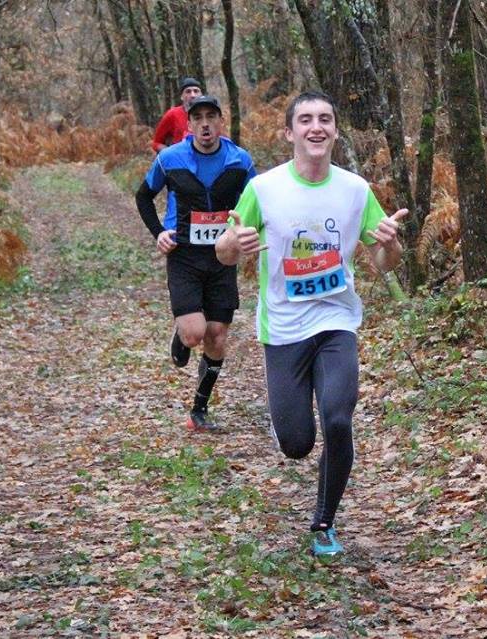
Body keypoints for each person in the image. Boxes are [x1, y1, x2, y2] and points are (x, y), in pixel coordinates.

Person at [216, 91, 407, 556]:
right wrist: (236, 244)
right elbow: (224, 251)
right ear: (289, 133)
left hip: (336, 320)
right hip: (284, 328)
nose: (316, 127)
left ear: (335, 131)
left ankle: (324, 522)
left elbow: (385, 262)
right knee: (297, 443)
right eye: (305, 120)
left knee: (338, 419)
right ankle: (287, 421)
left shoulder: (355, 190)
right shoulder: (264, 189)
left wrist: (389, 244)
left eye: (325, 119)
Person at [136, 94, 256, 432]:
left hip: (222, 255)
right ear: (188, 125)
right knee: (194, 334)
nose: (205, 124)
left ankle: (199, 409)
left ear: (221, 122)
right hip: (184, 255)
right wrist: (159, 233)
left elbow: (258, 201)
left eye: (211, 117)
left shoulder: (240, 161)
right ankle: (181, 332)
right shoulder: (170, 159)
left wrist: (247, 232)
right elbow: (143, 196)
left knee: (216, 336)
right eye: (198, 118)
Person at [151, 77, 203, 232]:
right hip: (179, 170)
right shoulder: (173, 115)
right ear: (182, 96)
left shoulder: (208, 114)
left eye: (196, 91)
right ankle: (172, 235)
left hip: (204, 167)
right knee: (179, 207)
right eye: (188, 91)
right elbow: (156, 142)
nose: (192, 95)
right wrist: (170, 155)